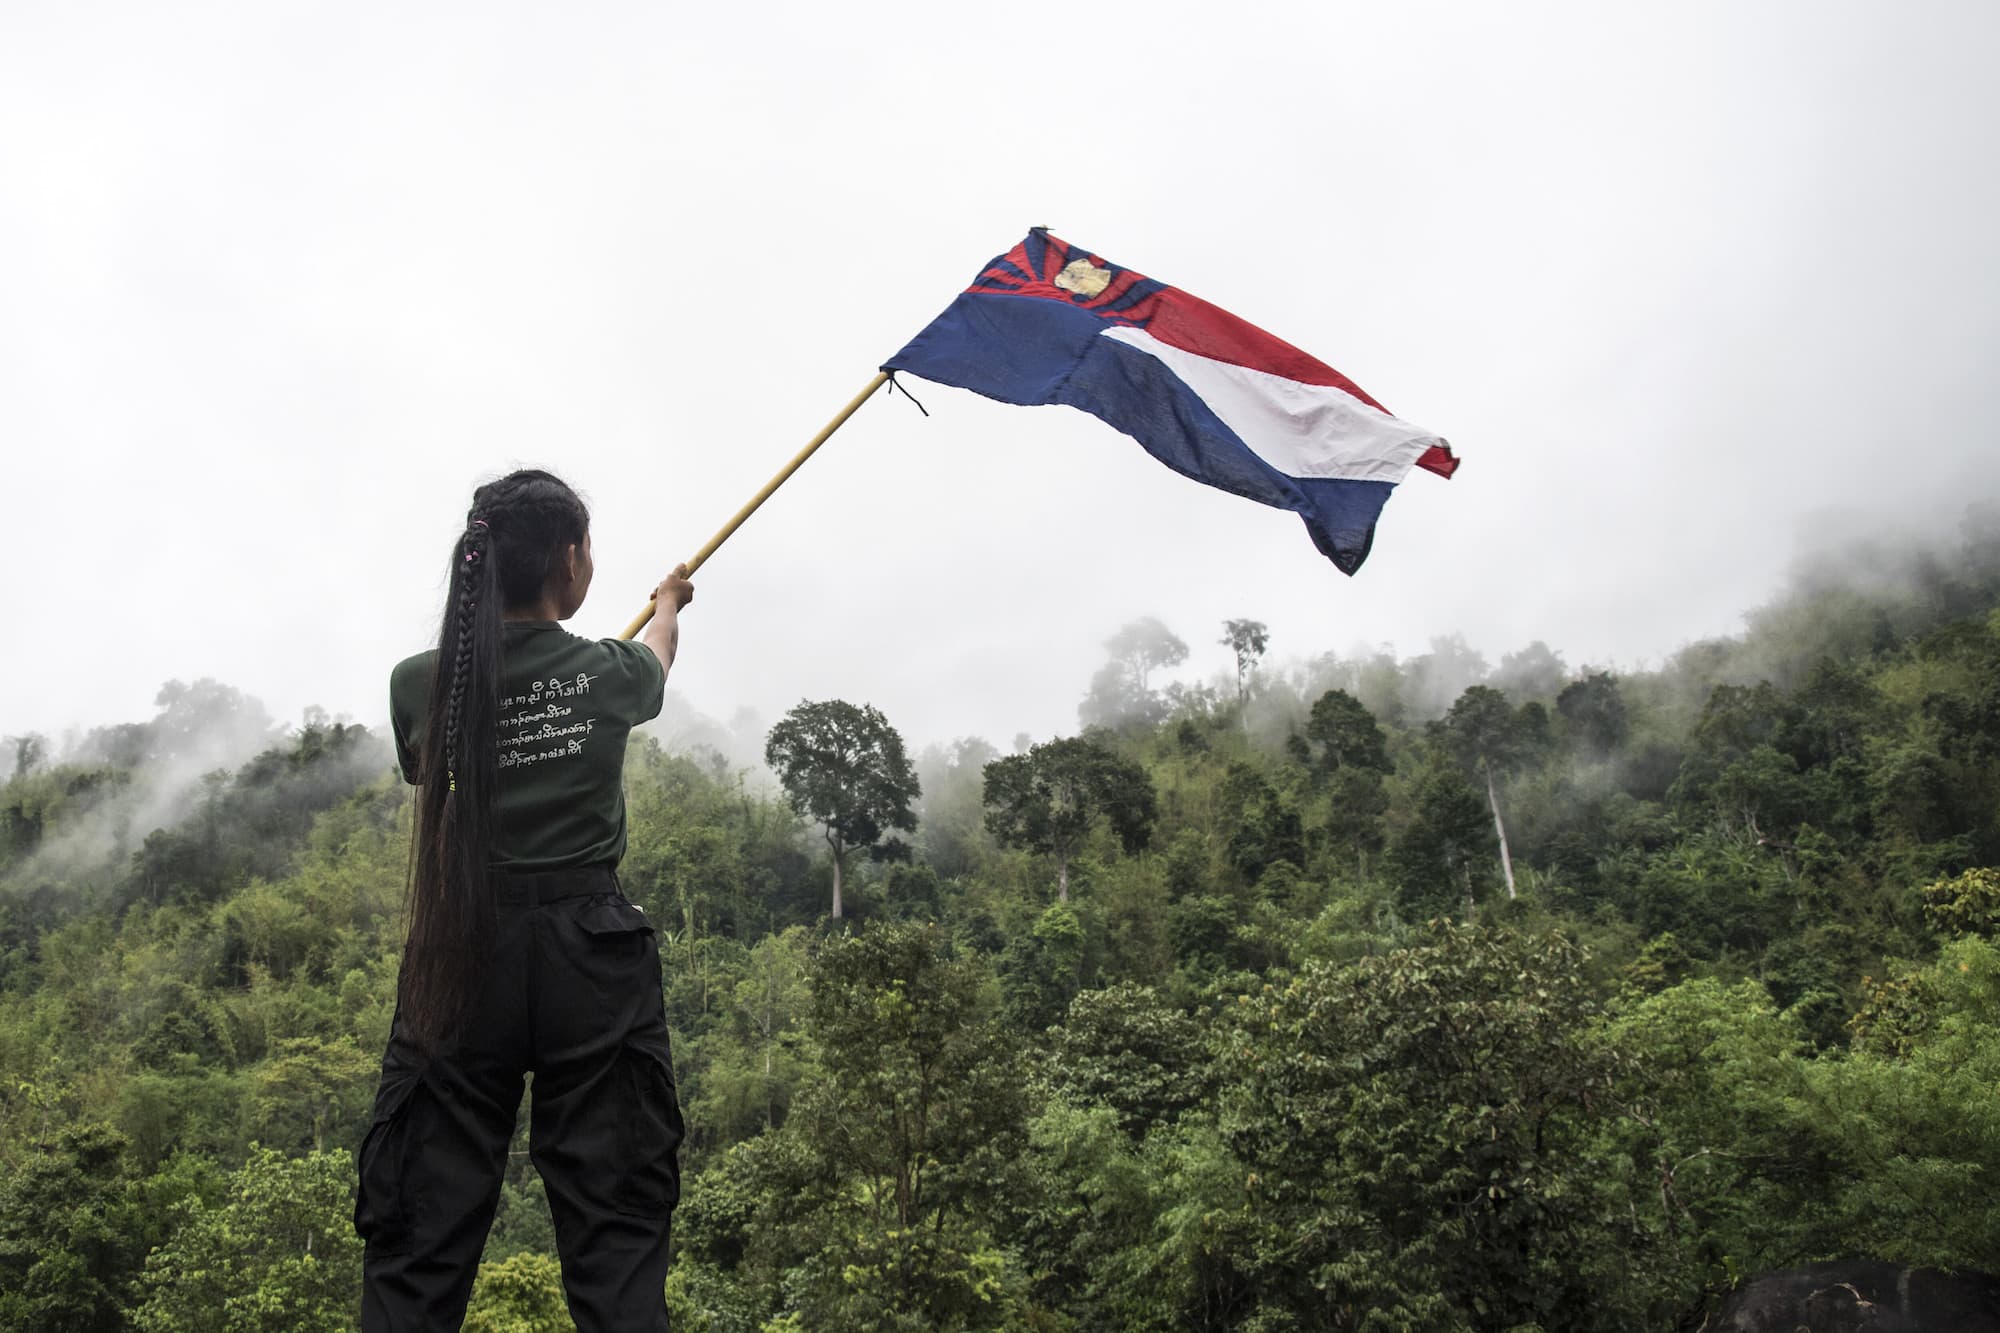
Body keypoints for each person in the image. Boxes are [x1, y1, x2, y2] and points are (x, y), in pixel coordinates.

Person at [354, 468, 693, 1331]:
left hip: (459, 953)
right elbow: (654, 660)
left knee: (419, 1226)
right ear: (570, 561)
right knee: (617, 1226)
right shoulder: (608, 669)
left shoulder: (419, 682)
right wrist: (667, 605)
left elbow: (428, 766)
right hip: (594, 959)